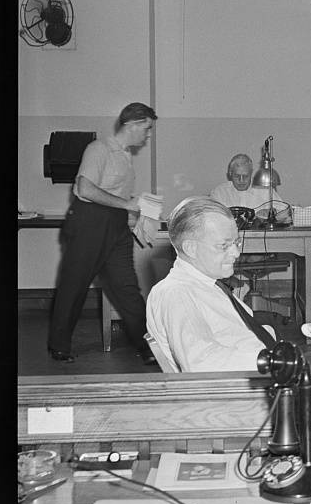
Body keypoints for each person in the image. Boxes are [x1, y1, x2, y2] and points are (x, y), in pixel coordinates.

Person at [48, 103, 160, 363]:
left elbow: (115, 194)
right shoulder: (98, 149)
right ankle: (59, 345)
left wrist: (139, 211)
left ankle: (148, 347)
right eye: (146, 128)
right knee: (74, 285)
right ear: (132, 124)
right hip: (89, 222)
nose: (148, 134)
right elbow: (85, 189)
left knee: (127, 288)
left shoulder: (125, 155)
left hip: (115, 225)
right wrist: (126, 204)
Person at [146, 197, 276, 372]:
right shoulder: (176, 293)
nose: (236, 253)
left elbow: (241, 332)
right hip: (240, 389)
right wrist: (276, 361)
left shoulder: (208, 284)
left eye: (236, 243)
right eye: (224, 245)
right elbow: (201, 362)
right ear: (191, 248)